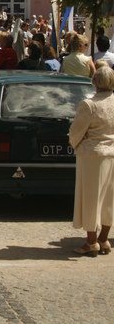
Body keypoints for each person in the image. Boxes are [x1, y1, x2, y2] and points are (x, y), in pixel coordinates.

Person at [69, 66, 114, 256]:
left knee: (90, 198)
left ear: (95, 82)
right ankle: (104, 239)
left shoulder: (89, 104)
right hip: (112, 152)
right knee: (108, 199)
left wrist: (75, 145)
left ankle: (91, 241)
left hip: (92, 156)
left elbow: (76, 132)